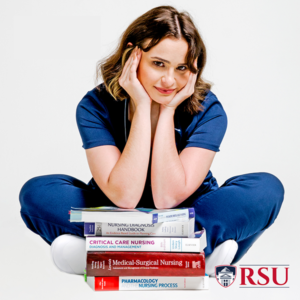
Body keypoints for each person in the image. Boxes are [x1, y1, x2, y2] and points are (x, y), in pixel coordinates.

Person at [19, 6, 284, 276]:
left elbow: (167, 197)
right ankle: (192, 255)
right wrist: (142, 106)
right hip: (114, 212)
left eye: (181, 68)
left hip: (189, 213)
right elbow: (124, 196)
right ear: (132, 55)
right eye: (158, 64)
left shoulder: (208, 109)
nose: (169, 80)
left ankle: (108, 254)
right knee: (38, 191)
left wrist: (167, 111)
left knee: (266, 189)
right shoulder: (95, 105)